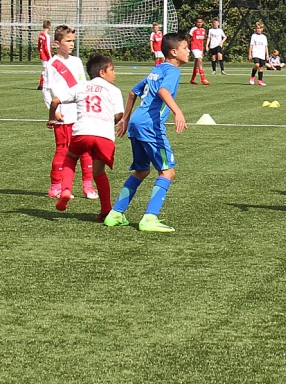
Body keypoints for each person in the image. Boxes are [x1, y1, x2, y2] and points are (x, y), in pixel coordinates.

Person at [107, 32, 190, 232]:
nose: (189, 52)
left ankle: (115, 213)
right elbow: (163, 91)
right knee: (168, 171)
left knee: (142, 170)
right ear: (173, 51)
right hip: (150, 126)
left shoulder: (157, 68)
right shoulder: (172, 71)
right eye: (185, 48)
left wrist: (126, 119)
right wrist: (178, 112)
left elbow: (132, 92)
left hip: (136, 122)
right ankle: (150, 218)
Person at [47, 53, 124, 221]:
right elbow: (119, 115)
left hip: (82, 132)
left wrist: (52, 118)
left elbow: (55, 101)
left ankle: (66, 189)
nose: (115, 73)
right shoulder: (114, 90)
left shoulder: (81, 86)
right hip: (104, 136)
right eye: (112, 69)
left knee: (70, 158)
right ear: (102, 72)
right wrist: (108, 123)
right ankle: (105, 211)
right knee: (99, 173)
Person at [43, 26, 97, 200]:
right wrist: (54, 111)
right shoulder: (52, 64)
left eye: (73, 41)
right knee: (63, 150)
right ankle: (55, 186)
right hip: (63, 114)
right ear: (57, 43)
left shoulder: (76, 61)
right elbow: (46, 90)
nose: (71, 44)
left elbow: (82, 85)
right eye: (68, 41)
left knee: (86, 149)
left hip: (80, 113)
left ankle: (87, 186)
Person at [188, 17, 209, 85]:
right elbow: (188, 39)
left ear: (202, 23)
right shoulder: (193, 29)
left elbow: (202, 41)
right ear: (196, 23)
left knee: (196, 64)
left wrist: (202, 51)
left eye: (200, 22)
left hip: (200, 49)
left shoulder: (203, 30)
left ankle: (192, 79)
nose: (199, 23)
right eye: (198, 22)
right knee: (200, 61)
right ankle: (203, 79)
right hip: (194, 47)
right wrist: (188, 47)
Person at [248, 22, 268, 86]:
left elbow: (266, 46)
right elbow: (251, 45)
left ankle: (260, 81)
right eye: (257, 28)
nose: (258, 30)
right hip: (256, 53)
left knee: (261, 68)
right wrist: (250, 54)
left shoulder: (264, 37)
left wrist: (267, 54)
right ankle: (252, 77)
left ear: (262, 29)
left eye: (260, 28)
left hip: (262, 54)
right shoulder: (254, 36)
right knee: (257, 65)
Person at [37, 20, 52, 90]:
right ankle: (42, 85)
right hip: (46, 55)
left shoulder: (41, 35)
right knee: (47, 69)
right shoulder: (47, 36)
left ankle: (42, 84)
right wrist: (50, 57)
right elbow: (47, 48)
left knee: (45, 69)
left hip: (41, 54)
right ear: (49, 26)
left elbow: (39, 45)